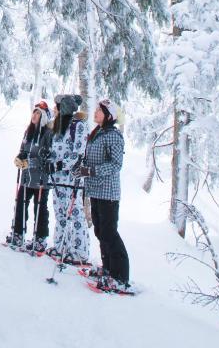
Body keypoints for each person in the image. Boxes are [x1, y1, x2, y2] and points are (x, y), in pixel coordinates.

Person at [73, 98, 130, 291]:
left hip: (108, 192)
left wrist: (90, 171)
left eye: (100, 110)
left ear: (108, 116)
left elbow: (116, 165)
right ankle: (107, 269)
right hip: (95, 190)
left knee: (109, 232)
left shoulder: (113, 135)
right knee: (100, 231)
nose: (96, 112)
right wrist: (81, 167)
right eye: (97, 109)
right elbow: (90, 157)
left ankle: (120, 276)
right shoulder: (97, 133)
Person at [47, 94, 89, 265]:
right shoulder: (59, 126)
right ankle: (60, 246)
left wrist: (61, 165)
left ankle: (80, 251)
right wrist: (48, 160)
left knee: (75, 213)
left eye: (57, 106)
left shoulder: (79, 125)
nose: (55, 109)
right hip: (56, 179)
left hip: (72, 178)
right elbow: (55, 150)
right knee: (60, 212)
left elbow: (78, 152)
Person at [7, 101, 53, 252]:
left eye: (38, 113)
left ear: (44, 117)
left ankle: (40, 238)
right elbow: (23, 149)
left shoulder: (48, 134)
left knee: (40, 208)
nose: (34, 115)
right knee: (20, 204)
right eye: (34, 112)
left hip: (41, 179)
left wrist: (29, 162)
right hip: (26, 178)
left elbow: (46, 157)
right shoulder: (29, 132)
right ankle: (18, 233)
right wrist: (19, 158)